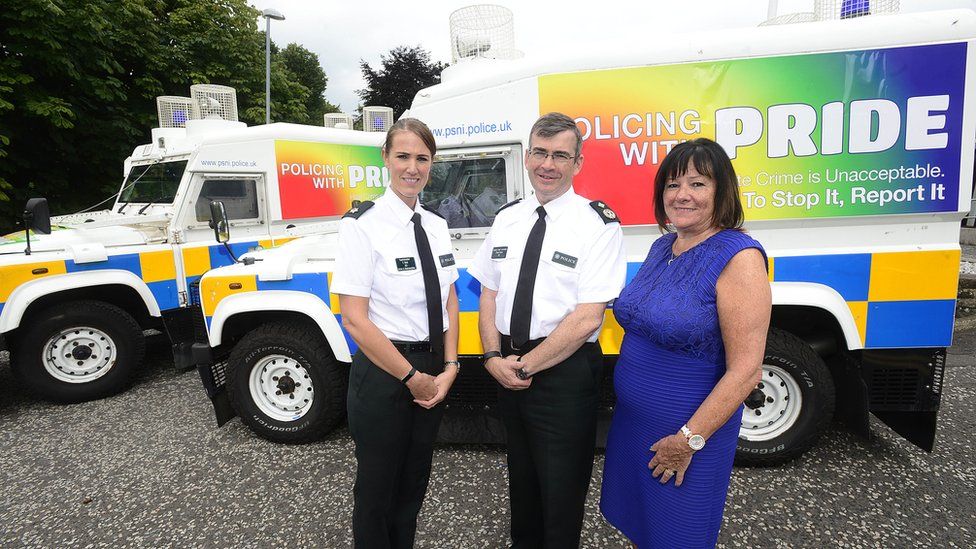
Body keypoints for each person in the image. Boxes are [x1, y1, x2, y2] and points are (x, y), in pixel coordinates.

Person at [599, 138, 771, 548]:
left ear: (722, 191)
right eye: (673, 184)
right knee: (643, 526)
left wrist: (689, 439)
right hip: (634, 424)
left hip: (686, 432)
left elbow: (746, 370)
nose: (682, 195)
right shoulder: (663, 247)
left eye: (697, 184)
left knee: (679, 533)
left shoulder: (739, 257)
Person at [468, 112, 627, 548]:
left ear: (578, 162)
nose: (548, 164)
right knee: (521, 482)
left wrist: (523, 367)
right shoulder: (507, 218)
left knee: (561, 492)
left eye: (560, 155)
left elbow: (588, 318)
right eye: (540, 152)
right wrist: (492, 358)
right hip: (508, 364)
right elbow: (488, 294)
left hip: (563, 372)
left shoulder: (598, 224)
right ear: (527, 157)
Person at [331, 118, 460, 549]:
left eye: (422, 158)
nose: (412, 167)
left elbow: (449, 300)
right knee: (376, 491)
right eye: (402, 156)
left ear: (432, 163)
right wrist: (411, 377)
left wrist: (451, 366)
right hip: (386, 372)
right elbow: (353, 318)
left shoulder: (436, 225)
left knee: (413, 485)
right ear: (385, 158)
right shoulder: (361, 225)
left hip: (432, 370)